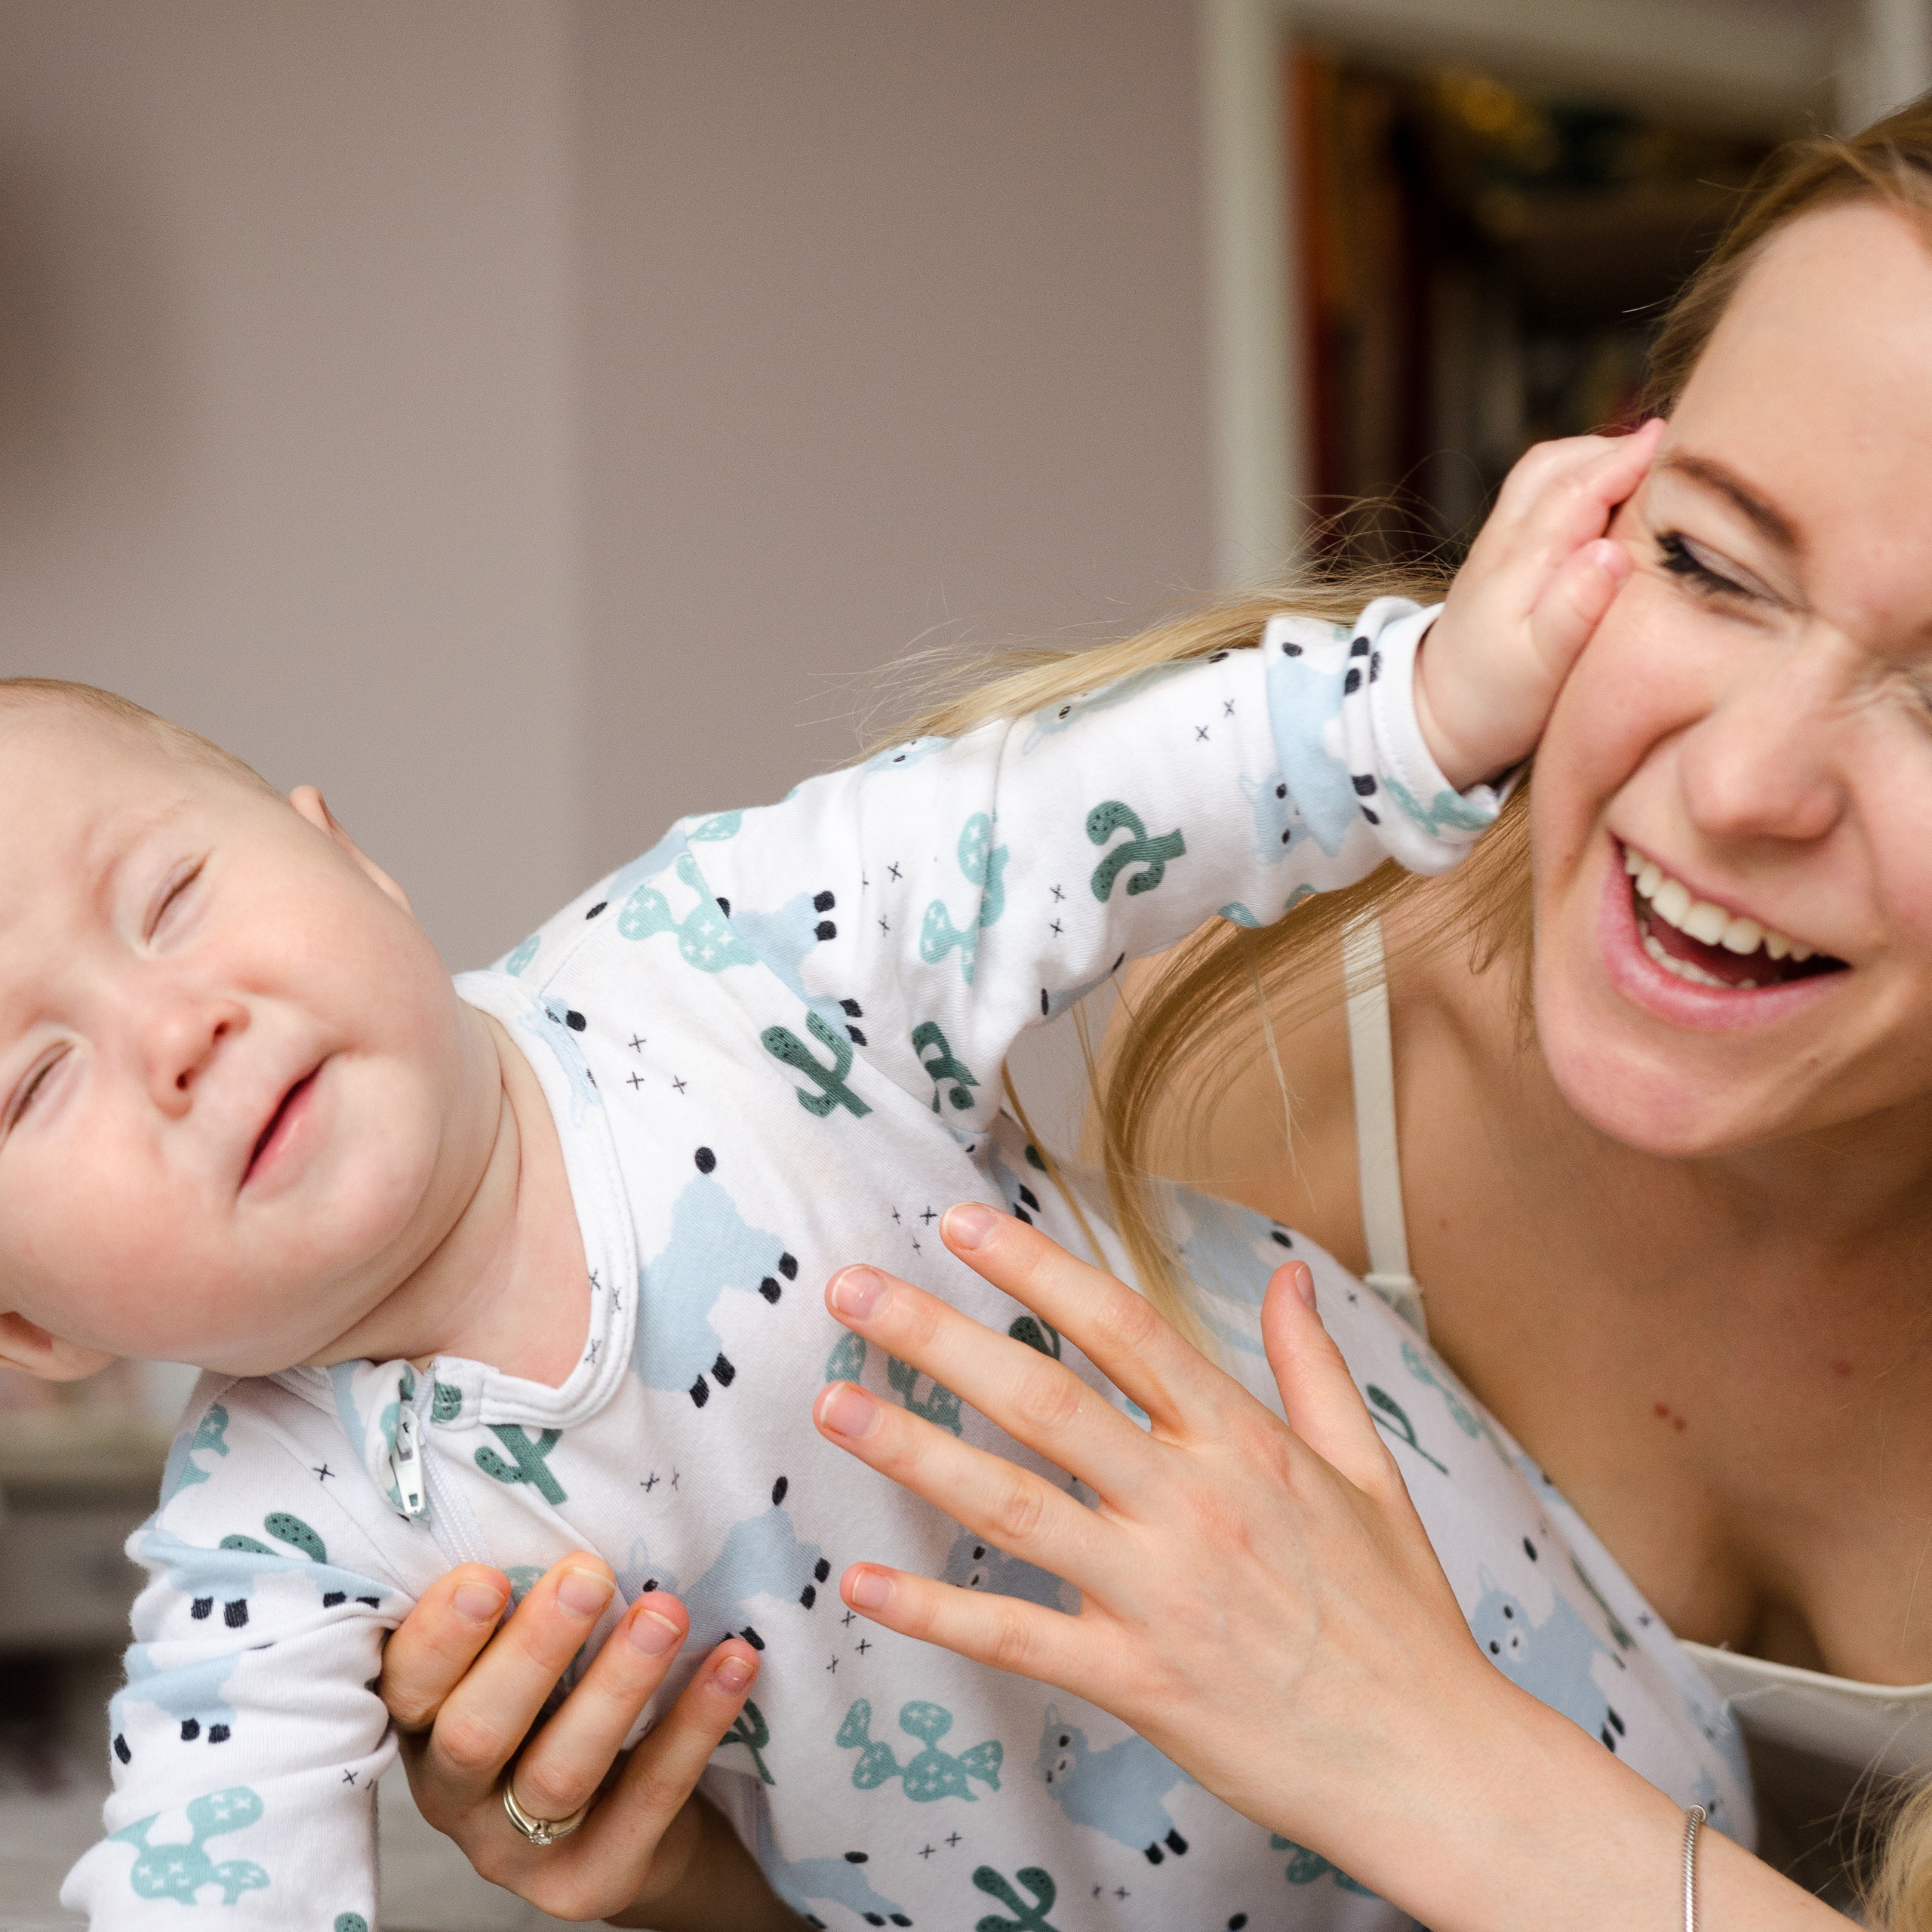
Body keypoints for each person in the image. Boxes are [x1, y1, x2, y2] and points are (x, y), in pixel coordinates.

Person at [371, 94, 1932, 1929]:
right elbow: (1099, 1869)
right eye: (1708, 562)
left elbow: (1354, 1756)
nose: (1742, 785)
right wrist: (699, 1872)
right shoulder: (1285, 1022)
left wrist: (1412, 1742)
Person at [12, 436, 1632, 1927]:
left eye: (171, 897)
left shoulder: (719, 957)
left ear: (348, 857)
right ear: (29, 1328)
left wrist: (1420, 702)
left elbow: (1065, 807)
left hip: (1535, 1726)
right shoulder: (268, 1534)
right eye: (32, 1082)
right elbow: (205, 1879)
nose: (172, 1031)